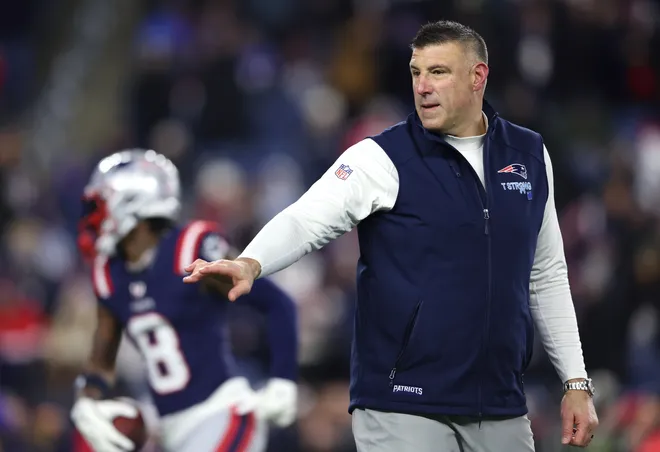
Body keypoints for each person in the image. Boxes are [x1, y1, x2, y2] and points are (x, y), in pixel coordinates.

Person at [184, 20, 599, 451]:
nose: (423, 86)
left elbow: (546, 274)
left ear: (478, 77)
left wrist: (575, 381)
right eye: (416, 72)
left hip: (500, 404)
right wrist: (251, 262)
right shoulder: (381, 157)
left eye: (438, 72)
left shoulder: (529, 156)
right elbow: (306, 218)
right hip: (402, 406)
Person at [70, 149, 298, 452]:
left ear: (133, 203)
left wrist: (283, 380)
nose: (94, 218)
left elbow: (276, 302)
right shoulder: (108, 274)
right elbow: (101, 362)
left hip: (222, 412)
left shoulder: (191, 249)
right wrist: (85, 404)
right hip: (168, 429)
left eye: (100, 206)